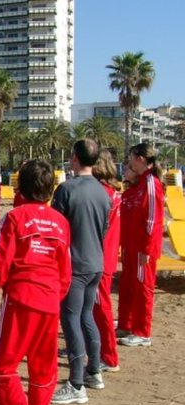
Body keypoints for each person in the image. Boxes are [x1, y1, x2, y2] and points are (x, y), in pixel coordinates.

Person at [0, 159, 72, 405]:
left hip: (21, 299)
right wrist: (55, 296)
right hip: (50, 301)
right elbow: (65, 269)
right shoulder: (61, 222)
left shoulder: (14, 218)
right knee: (43, 369)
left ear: (19, 187)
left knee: (1, 368)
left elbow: (0, 262)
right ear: (50, 189)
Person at [50, 139, 112, 405]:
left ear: (74, 157)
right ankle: (94, 371)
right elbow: (105, 228)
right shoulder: (103, 191)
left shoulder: (67, 189)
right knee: (87, 316)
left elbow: (55, 228)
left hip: (74, 265)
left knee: (71, 319)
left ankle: (76, 383)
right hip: (95, 262)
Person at [117, 143, 165, 347]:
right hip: (131, 246)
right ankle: (127, 324)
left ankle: (142, 331)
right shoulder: (138, 186)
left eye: (131, 158)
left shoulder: (152, 184)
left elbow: (153, 219)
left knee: (143, 287)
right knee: (128, 285)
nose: (128, 162)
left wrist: (147, 248)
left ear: (141, 159)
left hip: (142, 248)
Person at [91, 151, 122, 372]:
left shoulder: (101, 194)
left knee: (101, 309)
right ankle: (96, 349)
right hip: (105, 256)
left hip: (98, 258)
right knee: (95, 308)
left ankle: (109, 356)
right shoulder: (113, 193)